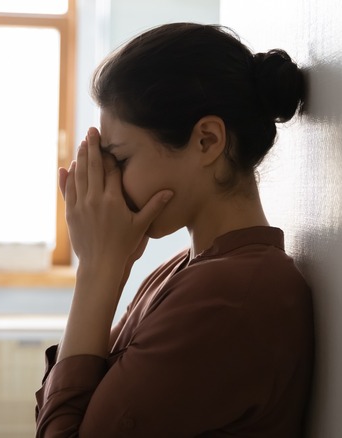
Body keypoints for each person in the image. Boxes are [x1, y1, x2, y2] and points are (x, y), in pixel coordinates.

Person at [35, 22, 313, 437]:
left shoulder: (231, 296)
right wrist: (104, 267)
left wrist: (97, 270)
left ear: (206, 141)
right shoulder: (188, 269)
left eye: (121, 160)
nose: (109, 184)